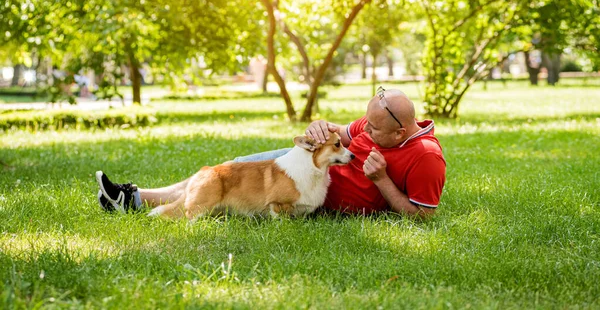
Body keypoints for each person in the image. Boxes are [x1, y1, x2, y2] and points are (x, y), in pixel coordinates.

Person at [96, 87, 446, 218]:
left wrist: (382, 180)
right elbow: (345, 135)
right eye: (365, 124)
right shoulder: (377, 124)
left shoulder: (426, 157)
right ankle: (137, 198)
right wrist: (322, 127)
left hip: (307, 192)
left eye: (374, 130)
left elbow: (424, 216)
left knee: (224, 180)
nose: (364, 131)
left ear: (400, 131)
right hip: (304, 165)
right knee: (224, 171)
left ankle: (136, 200)